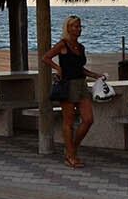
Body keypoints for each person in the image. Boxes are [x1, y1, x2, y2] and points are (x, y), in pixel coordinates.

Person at [43, 15, 102, 167]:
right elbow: (46, 57)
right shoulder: (63, 44)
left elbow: (79, 68)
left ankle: (71, 149)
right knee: (68, 122)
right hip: (67, 85)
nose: (78, 29)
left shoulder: (81, 47)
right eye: (75, 26)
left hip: (81, 85)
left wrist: (94, 75)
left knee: (88, 119)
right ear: (68, 28)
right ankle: (70, 156)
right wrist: (58, 68)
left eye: (80, 26)